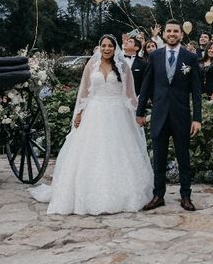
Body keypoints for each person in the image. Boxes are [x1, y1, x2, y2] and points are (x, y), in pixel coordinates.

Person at [29, 35, 153, 214]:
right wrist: (79, 113)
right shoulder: (91, 65)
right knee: (90, 151)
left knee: (116, 152)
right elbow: (84, 91)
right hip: (94, 112)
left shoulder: (122, 66)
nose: (107, 48)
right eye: (104, 45)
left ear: (115, 48)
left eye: (110, 45)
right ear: (100, 47)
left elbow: (130, 94)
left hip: (117, 114)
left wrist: (137, 113)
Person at [137, 20, 202, 212]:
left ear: (181, 34)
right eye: (169, 31)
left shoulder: (190, 58)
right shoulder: (155, 56)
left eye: (176, 31)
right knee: (159, 157)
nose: (172, 34)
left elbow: (196, 91)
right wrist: (140, 112)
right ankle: (158, 195)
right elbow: (146, 86)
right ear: (164, 34)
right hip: (159, 114)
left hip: (181, 115)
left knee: (184, 157)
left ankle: (186, 196)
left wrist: (197, 118)